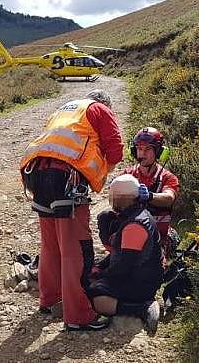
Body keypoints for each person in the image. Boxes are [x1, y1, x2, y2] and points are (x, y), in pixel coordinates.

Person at [20, 89, 123, 331]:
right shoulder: (99, 109)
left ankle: (50, 300)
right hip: (66, 179)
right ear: (105, 103)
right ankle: (78, 315)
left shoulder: (65, 110)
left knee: (50, 244)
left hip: (36, 173)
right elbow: (116, 150)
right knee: (75, 248)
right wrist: (96, 172)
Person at [87, 174, 163, 335]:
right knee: (93, 277)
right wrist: (99, 267)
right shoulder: (137, 216)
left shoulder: (135, 225)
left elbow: (124, 265)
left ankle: (140, 308)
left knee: (95, 294)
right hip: (142, 276)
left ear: (122, 198)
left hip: (141, 282)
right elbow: (121, 255)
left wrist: (100, 276)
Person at [125, 127, 180, 256]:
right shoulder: (128, 174)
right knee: (105, 217)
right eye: (139, 149)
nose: (142, 154)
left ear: (159, 152)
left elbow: (169, 198)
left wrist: (150, 196)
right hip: (130, 234)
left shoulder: (167, 177)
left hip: (157, 237)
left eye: (148, 149)